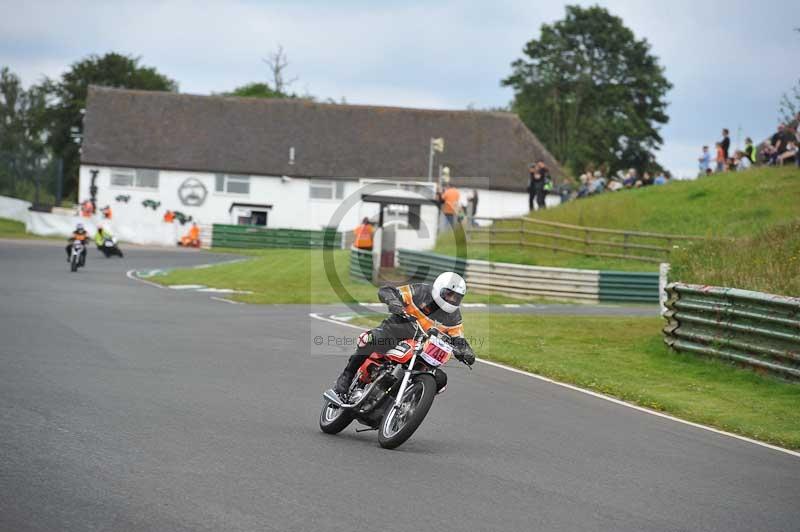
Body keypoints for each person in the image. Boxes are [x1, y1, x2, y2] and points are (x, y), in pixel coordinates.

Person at [332, 272, 476, 397]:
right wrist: (395, 303)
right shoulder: (420, 291)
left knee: (440, 379)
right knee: (371, 339)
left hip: (422, 347)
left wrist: (466, 351)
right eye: (449, 294)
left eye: (456, 297)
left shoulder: (454, 316)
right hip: (395, 331)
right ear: (439, 288)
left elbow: (458, 338)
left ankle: (408, 400)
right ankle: (347, 375)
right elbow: (388, 291)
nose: (451, 300)